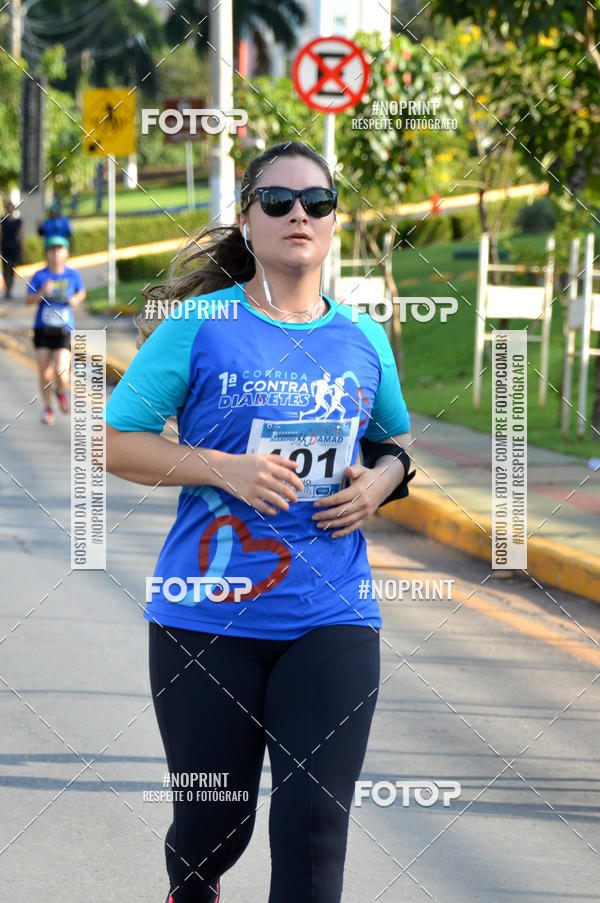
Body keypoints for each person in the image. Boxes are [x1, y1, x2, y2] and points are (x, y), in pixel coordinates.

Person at [104, 140, 415, 903]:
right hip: (206, 614)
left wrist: (381, 480)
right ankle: (193, 886)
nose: (297, 214)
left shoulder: (365, 337)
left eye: (316, 200)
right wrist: (224, 467)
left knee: (312, 823)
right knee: (216, 822)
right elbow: (111, 440)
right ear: (248, 221)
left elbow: (396, 441)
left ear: (335, 221)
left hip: (332, 612)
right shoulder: (201, 324)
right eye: (277, 201)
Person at [27, 235, 86, 424]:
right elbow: (28, 301)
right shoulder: (39, 275)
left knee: (61, 372)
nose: (55, 254)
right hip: (43, 329)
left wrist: (76, 299)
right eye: (52, 250)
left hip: (63, 329)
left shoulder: (73, 275)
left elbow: (81, 291)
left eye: (59, 249)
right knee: (45, 373)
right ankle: (47, 408)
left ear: (66, 253)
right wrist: (42, 291)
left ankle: (60, 390)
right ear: (47, 254)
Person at [1, 201, 23, 299]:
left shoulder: (18, 221)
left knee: (12, 269)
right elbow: (1, 234)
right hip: (5, 246)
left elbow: (20, 235)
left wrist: (21, 247)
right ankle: (7, 288)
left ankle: (10, 288)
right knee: (5, 269)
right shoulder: (3, 220)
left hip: (14, 247)